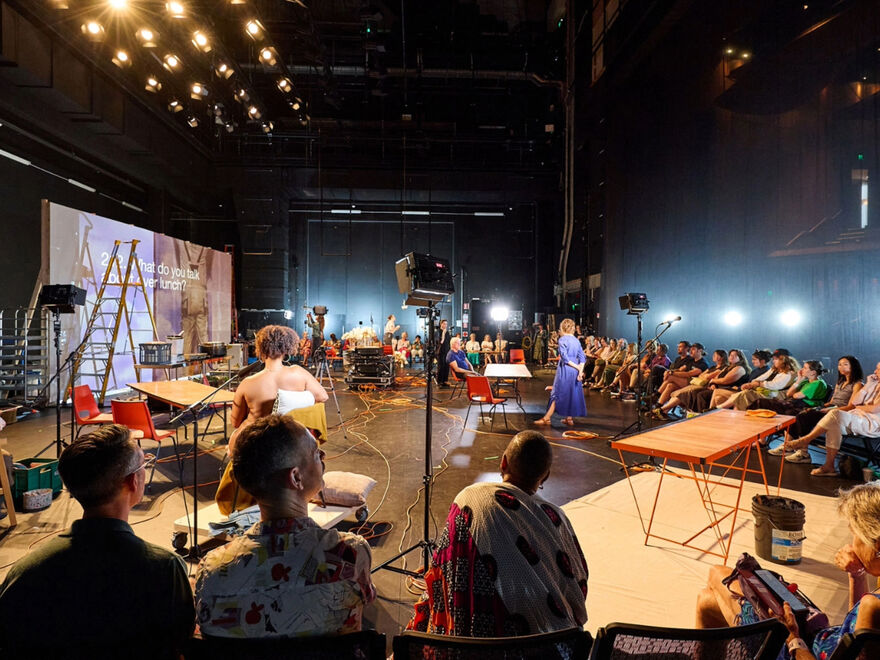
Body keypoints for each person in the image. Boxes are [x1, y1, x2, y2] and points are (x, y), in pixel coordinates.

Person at [0, 425, 195, 658]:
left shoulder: (26, 572)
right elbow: (182, 638)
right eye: (145, 466)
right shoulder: (165, 568)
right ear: (132, 482)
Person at [197, 416, 375, 638]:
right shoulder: (350, 553)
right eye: (316, 453)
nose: (322, 458)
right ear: (296, 477)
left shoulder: (212, 570)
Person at [408, 430, 588, 637]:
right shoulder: (556, 518)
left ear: (503, 462)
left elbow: (444, 565)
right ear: (545, 475)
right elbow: (577, 583)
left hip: (469, 642)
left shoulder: (469, 500)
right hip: (542, 643)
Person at [695, 482, 880, 659]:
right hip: (820, 638)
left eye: (855, 533)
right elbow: (854, 635)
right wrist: (856, 574)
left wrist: (792, 637)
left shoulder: (873, 606)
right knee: (706, 602)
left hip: (794, 647)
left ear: (876, 543)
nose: (851, 542)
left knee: (717, 573)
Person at [228, 325, 328, 455]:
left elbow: (235, 422)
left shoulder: (247, 383)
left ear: (261, 349)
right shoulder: (298, 373)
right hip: (289, 442)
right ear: (287, 348)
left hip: (254, 446)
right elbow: (322, 397)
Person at [773, 361, 880, 477]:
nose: (875, 372)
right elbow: (856, 402)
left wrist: (861, 407)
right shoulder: (873, 384)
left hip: (871, 423)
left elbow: (874, 409)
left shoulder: (856, 384)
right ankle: (829, 466)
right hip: (855, 417)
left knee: (834, 414)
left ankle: (805, 440)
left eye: (879, 369)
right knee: (832, 424)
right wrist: (869, 385)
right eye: (876, 368)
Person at [535, 318, 587, 426]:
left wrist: (578, 369)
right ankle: (569, 419)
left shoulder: (562, 340)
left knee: (558, 393)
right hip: (575, 371)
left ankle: (547, 418)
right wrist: (580, 372)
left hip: (566, 370)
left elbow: (565, 358)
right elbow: (582, 358)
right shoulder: (576, 341)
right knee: (571, 393)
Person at [715, 352, 799, 410]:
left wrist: (758, 384)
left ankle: (719, 409)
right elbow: (760, 378)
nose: (773, 361)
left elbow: (776, 385)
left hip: (774, 396)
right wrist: (752, 384)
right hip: (765, 392)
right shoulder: (774, 370)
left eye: (776, 359)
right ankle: (718, 410)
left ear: (784, 360)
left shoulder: (789, 374)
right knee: (739, 395)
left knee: (745, 394)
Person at [435, 319, 452, 387]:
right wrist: (443, 333)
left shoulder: (447, 332)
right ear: (441, 324)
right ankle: (439, 381)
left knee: (446, 366)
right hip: (440, 351)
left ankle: (445, 380)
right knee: (441, 367)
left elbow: (449, 341)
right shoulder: (438, 332)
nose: (445, 325)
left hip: (447, 351)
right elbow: (441, 342)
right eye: (444, 324)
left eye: (446, 324)